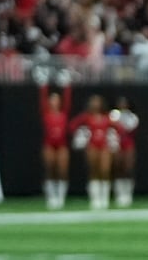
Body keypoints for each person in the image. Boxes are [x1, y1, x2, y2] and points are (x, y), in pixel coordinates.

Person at [70, 95, 117, 210]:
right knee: (94, 170)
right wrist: (81, 136)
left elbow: (119, 128)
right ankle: (95, 198)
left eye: (97, 102)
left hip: (104, 146)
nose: (95, 104)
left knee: (105, 170)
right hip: (92, 146)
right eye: (93, 102)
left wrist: (113, 138)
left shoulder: (107, 117)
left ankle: (104, 198)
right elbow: (72, 125)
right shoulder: (86, 117)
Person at [40, 77, 72, 210]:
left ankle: (60, 196)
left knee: (62, 170)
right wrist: (43, 85)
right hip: (49, 144)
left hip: (62, 144)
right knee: (50, 169)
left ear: (59, 101)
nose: (53, 101)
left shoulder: (64, 113)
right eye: (51, 99)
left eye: (56, 99)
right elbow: (41, 99)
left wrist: (67, 86)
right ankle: (51, 196)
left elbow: (68, 101)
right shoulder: (46, 113)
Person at [111, 96, 139, 207]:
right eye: (120, 103)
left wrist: (119, 124)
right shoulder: (113, 115)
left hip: (128, 144)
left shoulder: (132, 117)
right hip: (117, 144)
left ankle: (127, 194)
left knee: (128, 168)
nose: (122, 106)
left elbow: (130, 128)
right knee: (118, 168)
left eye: (124, 103)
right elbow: (112, 128)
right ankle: (119, 193)